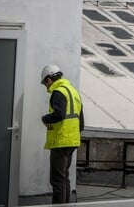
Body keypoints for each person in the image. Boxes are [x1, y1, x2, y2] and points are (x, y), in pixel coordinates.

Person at [40, 65, 84, 204]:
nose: (45, 87)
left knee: (57, 180)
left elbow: (59, 114)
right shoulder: (73, 91)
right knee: (64, 177)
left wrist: (45, 119)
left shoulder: (58, 92)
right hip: (72, 140)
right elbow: (81, 122)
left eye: (45, 83)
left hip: (61, 141)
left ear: (49, 79)